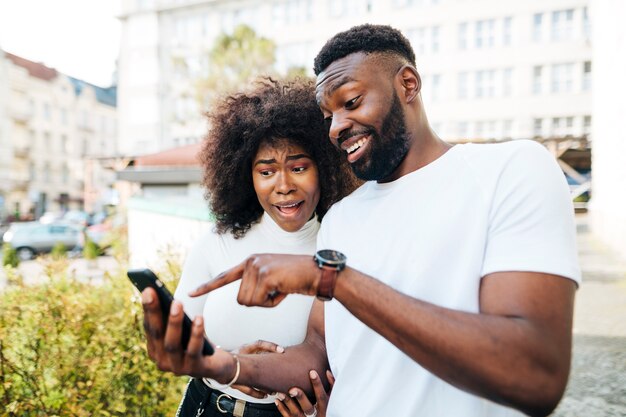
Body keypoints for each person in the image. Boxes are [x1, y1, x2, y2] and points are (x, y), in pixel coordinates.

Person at [143, 25, 580, 417]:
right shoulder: (343, 220)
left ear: (408, 84)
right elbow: (315, 353)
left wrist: (335, 280)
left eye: (351, 102)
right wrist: (221, 364)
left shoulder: (511, 169)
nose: (336, 127)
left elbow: (535, 376)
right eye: (328, 114)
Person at [144, 77, 357, 417]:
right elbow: (180, 347)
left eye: (299, 168)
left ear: (326, 168)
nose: (284, 186)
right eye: (266, 171)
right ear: (247, 176)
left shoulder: (341, 248)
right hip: (207, 407)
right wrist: (228, 365)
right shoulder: (219, 242)